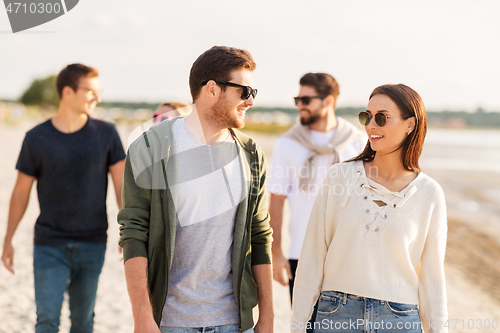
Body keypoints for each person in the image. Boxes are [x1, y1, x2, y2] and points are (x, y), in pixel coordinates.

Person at [118, 46, 273, 333]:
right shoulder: (151, 148)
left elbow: (260, 235)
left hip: (233, 322)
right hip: (169, 322)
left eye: (254, 92)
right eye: (245, 92)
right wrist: (142, 318)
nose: (251, 101)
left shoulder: (252, 154)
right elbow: (134, 233)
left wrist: (267, 318)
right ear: (212, 89)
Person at [291, 84, 448, 333]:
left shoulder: (430, 194)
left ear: (410, 124)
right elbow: (312, 257)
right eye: (367, 116)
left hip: (400, 320)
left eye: (382, 118)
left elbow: (433, 279)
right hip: (335, 315)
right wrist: (298, 327)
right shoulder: (338, 177)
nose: (371, 125)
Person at [1, 63, 126, 333]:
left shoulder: (107, 134)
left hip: (93, 242)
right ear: (68, 92)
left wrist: (128, 232)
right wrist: (8, 238)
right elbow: (21, 191)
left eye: (99, 91)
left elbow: (121, 187)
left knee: (83, 322)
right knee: (47, 320)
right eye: (91, 91)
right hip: (49, 244)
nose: (98, 97)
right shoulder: (36, 138)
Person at [268, 73, 365, 301]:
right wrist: (277, 252)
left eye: (306, 100)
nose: (300, 106)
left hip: (348, 256)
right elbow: (276, 200)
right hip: (301, 253)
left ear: (328, 101)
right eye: (297, 100)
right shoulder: (287, 143)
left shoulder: (358, 143)